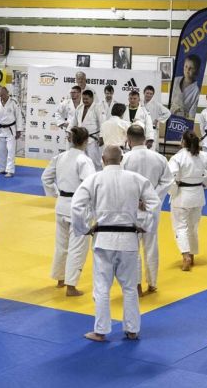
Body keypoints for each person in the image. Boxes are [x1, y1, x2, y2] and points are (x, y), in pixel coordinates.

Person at [74, 145, 159, 342]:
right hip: (129, 239)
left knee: (102, 287)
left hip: (103, 239)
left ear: (102, 159)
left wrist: (85, 228)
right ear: (121, 159)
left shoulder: (93, 179)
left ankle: (101, 331)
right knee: (129, 287)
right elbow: (154, 204)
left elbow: (77, 206)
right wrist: (144, 224)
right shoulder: (136, 179)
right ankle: (132, 329)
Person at [42, 127, 96, 297]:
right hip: (78, 207)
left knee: (61, 244)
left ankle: (60, 278)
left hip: (62, 204)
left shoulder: (59, 157)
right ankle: (71, 286)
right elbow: (91, 185)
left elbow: (46, 178)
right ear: (86, 141)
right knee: (77, 248)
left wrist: (55, 194)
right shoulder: (84, 160)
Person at [121, 125, 173, 296]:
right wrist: (151, 198)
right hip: (151, 209)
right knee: (151, 245)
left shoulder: (125, 158)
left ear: (128, 140)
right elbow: (167, 182)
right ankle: (152, 283)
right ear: (144, 138)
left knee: (132, 246)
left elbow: (120, 183)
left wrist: (137, 199)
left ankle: (136, 285)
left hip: (131, 209)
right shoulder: (159, 158)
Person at [167, 132, 207, 271]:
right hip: (198, 195)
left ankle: (186, 255)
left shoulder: (177, 158)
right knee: (193, 227)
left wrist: (173, 189)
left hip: (182, 196)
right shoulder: (204, 156)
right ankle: (193, 254)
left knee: (181, 227)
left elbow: (171, 177)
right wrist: (205, 181)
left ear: (182, 141)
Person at [0, 85, 22, 177]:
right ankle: (1, 169)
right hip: (0, 130)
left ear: (7, 93)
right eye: (0, 95)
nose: (1, 97)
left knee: (10, 151)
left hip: (11, 130)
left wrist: (19, 130)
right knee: (0, 151)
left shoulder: (14, 102)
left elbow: (19, 116)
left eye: (3, 95)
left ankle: (10, 171)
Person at [74, 89, 105, 169]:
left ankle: (97, 178)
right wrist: (69, 132)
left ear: (92, 98)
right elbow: (74, 121)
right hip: (81, 139)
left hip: (93, 140)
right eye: (83, 99)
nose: (84, 101)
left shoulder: (97, 107)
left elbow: (103, 123)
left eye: (86, 99)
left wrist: (102, 137)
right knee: (82, 160)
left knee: (95, 161)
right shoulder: (80, 107)